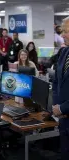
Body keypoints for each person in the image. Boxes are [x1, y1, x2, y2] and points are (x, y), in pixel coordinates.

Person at [52, 17, 69, 160]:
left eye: (66, 32)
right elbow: (56, 81)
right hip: (63, 119)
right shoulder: (64, 52)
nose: (62, 35)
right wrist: (56, 106)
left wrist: (63, 108)